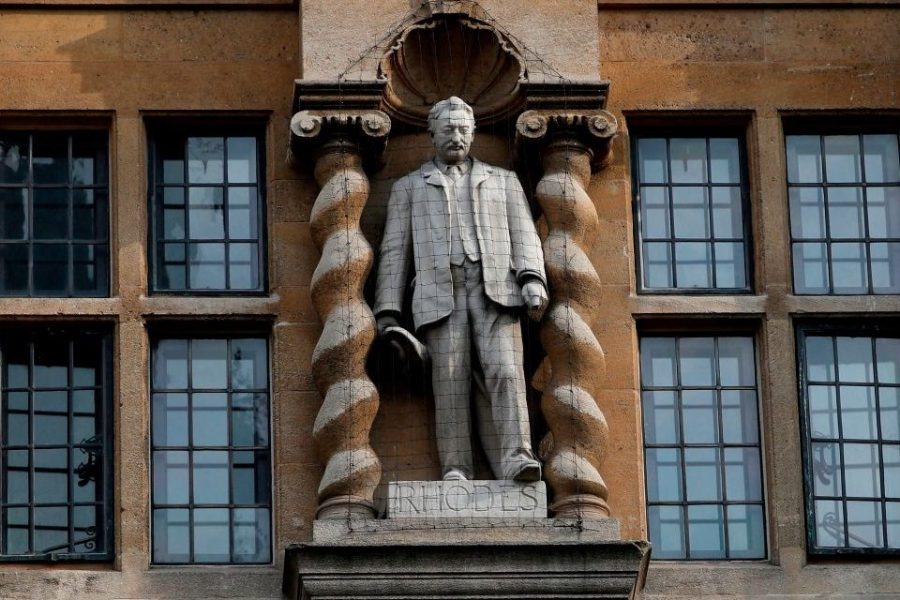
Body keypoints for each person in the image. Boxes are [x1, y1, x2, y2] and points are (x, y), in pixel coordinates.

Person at [374, 96, 548, 482]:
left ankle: (518, 457)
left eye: (463, 129)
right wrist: (387, 312)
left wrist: (532, 278)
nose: (456, 136)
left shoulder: (503, 180)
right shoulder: (409, 187)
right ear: (432, 134)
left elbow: (525, 233)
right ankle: (456, 467)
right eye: (448, 129)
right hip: (439, 293)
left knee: (506, 371)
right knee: (449, 380)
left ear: (473, 134)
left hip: (497, 290)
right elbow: (394, 249)